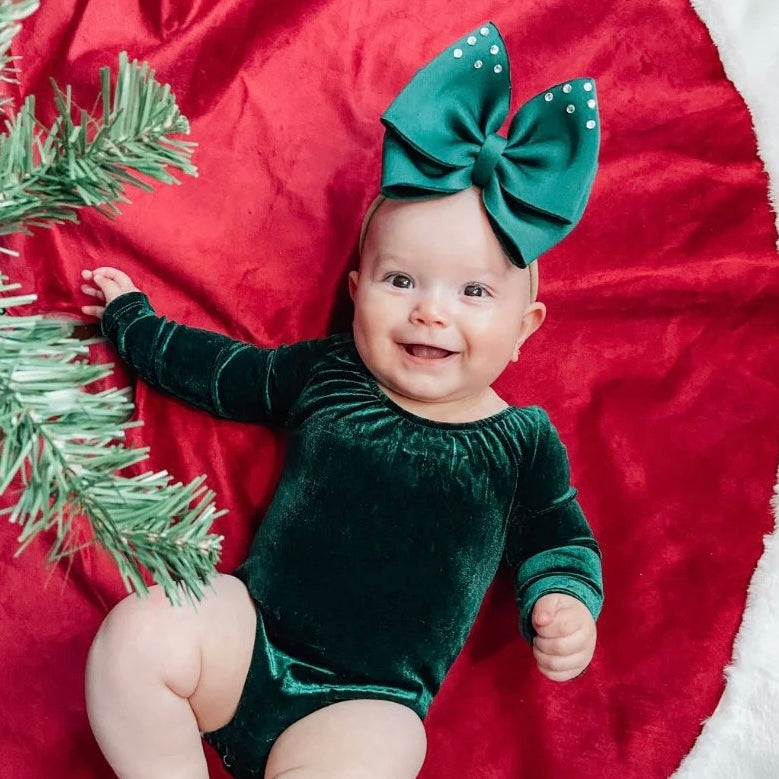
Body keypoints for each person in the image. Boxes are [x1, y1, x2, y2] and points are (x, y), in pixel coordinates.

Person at [81, 23, 603, 779]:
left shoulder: (520, 442)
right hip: (249, 640)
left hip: (364, 704)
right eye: (401, 281)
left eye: (473, 292)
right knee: (137, 635)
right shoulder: (331, 373)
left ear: (524, 330)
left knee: (387, 754)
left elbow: (561, 539)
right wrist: (135, 325)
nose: (431, 311)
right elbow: (226, 371)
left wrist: (563, 603)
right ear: (356, 294)